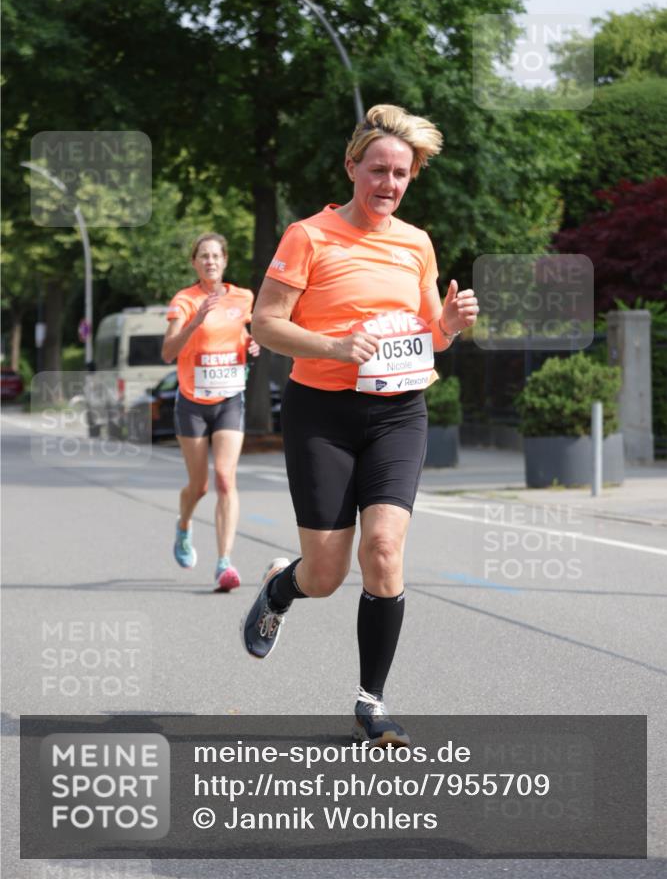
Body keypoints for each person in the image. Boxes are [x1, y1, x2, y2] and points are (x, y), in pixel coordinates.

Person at [241, 104, 479, 745]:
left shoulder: (416, 244)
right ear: (352, 167)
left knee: (384, 550)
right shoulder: (309, 236)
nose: (389, 184)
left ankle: (371, 701)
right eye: (378, 170)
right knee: (324, 575)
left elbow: (430, 336)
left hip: (399, 411)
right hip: (323, 414)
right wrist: (336, 347)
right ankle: (279, 588)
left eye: (401, 174)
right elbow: (265, 323)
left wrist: (450, 326)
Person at [162, 232, 259, 592]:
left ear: (225, 261)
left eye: (216, 256)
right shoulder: (184, 301)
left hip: (230, 399)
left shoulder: (242, 298)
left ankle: (224, 563)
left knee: (225, 479)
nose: (210, 262)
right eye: (203, 256)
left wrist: (253, 344)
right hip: (192, 404)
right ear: (194, 263)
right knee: (199, 486)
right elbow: (168, 353)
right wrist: (194, 322)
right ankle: (184, 525)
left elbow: (248, 335)